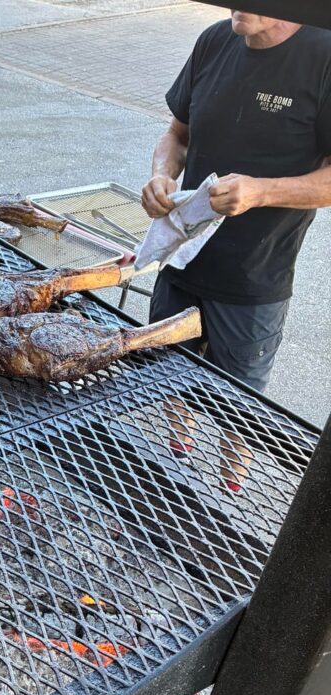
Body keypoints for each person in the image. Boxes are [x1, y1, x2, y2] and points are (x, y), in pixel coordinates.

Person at [142, 11, 331, 489]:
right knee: (167, 371)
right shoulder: (214, 41)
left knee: (241, 402)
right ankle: (177, 451)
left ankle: (232, 481)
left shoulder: (323, 54)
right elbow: (177, 134)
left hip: (255, 275)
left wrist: (260, 191)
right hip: (181, 255)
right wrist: (161, 175)